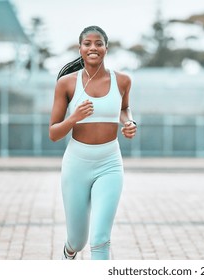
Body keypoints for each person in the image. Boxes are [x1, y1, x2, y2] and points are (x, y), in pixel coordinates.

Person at [49, 25, 137, 260]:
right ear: (80, 49)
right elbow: (54, 133)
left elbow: (124, 108)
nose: (93, 48)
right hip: (77, 164)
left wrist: (129, 122)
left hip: (109, 163)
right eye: (87, 44)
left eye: (98, 43)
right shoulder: (66, 84)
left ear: (106, 48)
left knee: (100, 239)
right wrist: (74, 118)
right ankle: (69, 252)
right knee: (78, 240)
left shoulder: (123, 81)